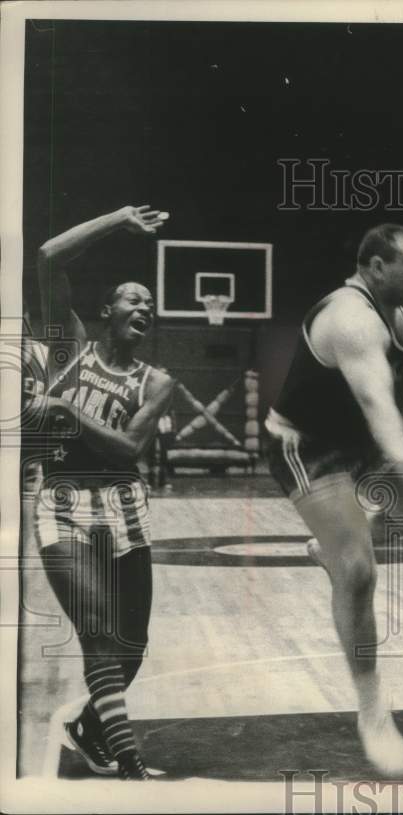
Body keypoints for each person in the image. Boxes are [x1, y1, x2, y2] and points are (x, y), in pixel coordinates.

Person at [265, 224, 403, 779]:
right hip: (307, 447)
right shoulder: (351, 317)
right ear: (373, 265)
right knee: (359, 572)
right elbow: (377, 403)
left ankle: (337, 543)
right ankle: (372, 714)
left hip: (361, 442)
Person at [30, 205, 176, 780]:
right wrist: (118, 219)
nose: (144, 306)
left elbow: (125, 451)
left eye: (149, 302)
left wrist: (65, 409)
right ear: (105, 311)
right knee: (98, 634)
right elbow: (45, 257)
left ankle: (89, 728)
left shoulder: (157, 381)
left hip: (125, 506)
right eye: (132, 299)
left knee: (132, 645)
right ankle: (129, 761)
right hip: (63, 504)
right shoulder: (69, 348)